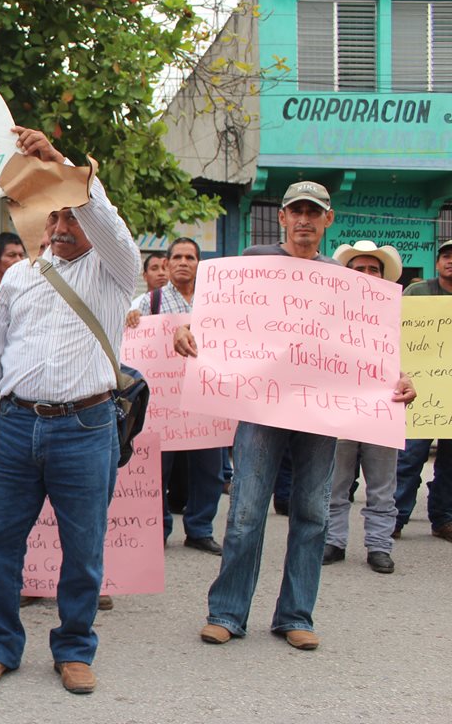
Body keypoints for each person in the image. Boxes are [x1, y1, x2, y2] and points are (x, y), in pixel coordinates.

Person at [175, 181, 416, 651]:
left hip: (319, 416)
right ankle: (226, 612)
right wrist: (187, 328)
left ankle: (295, 615)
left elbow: (368, 349)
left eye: (314, 212)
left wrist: (400, 378)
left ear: (329, 219)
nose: (304, 219)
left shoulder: (347, 282)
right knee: (245, 510)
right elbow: (212, 317)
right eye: (295, 211)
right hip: (260, 408)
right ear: (282, 218)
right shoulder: (251, 262)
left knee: (311, 513)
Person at [0, 127, 139, 694]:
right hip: (14, 428)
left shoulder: (115, 271)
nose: (60, 227)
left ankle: (74, 648)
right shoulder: (18, 276)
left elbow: (108, 222)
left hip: (86, 429)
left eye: (71, 217)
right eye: (53, 217)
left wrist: (60, 162)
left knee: (83, 551)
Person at [128, 237, 224, 555]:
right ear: (167, 264)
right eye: (178, 257)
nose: (184, 262)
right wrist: (132, 321)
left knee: (209, 470)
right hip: (163, 403)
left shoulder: (215, 301)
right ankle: (159, 529)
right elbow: (132, 337)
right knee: (159, 469)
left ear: (199, 264)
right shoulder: (148, 303)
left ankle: (200, 529)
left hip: (206, 401)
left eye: (190, 257)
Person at [323, 240, 404, 573]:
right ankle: (333, 541)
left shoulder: (401, 313)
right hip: (340, 409)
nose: (367, 274)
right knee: (335, 484)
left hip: (384, 409)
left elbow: (419, 357)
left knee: (383, 486)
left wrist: (407, 380)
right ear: (347, 274)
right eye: (360, 269)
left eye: (373, 269)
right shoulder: (328, 313)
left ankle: (379, 546)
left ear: (383, 276)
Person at [394, 238, 452, 544]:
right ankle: (396, 518)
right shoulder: (417, 293)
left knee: (450, 464)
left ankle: (443, 519)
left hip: (450, 394)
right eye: (446, 255)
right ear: (438, 261)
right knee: (410, 458)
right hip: (421, 392)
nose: (450, 260)